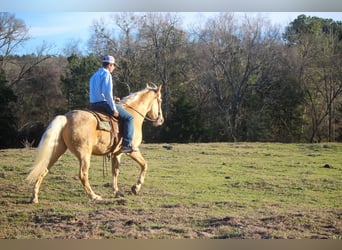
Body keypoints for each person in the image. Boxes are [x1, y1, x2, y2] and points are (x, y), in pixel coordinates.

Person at [89, 55, 137, 153]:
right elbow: (106, 93)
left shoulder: (94, 75)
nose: (114, 68)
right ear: (110, 65)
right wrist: (113, 107)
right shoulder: (106, 74)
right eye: (114, 65)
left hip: (94, 104)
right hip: (104, 104)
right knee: (129, 118)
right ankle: (126, 145)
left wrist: (113, 99)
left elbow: (99, 92)